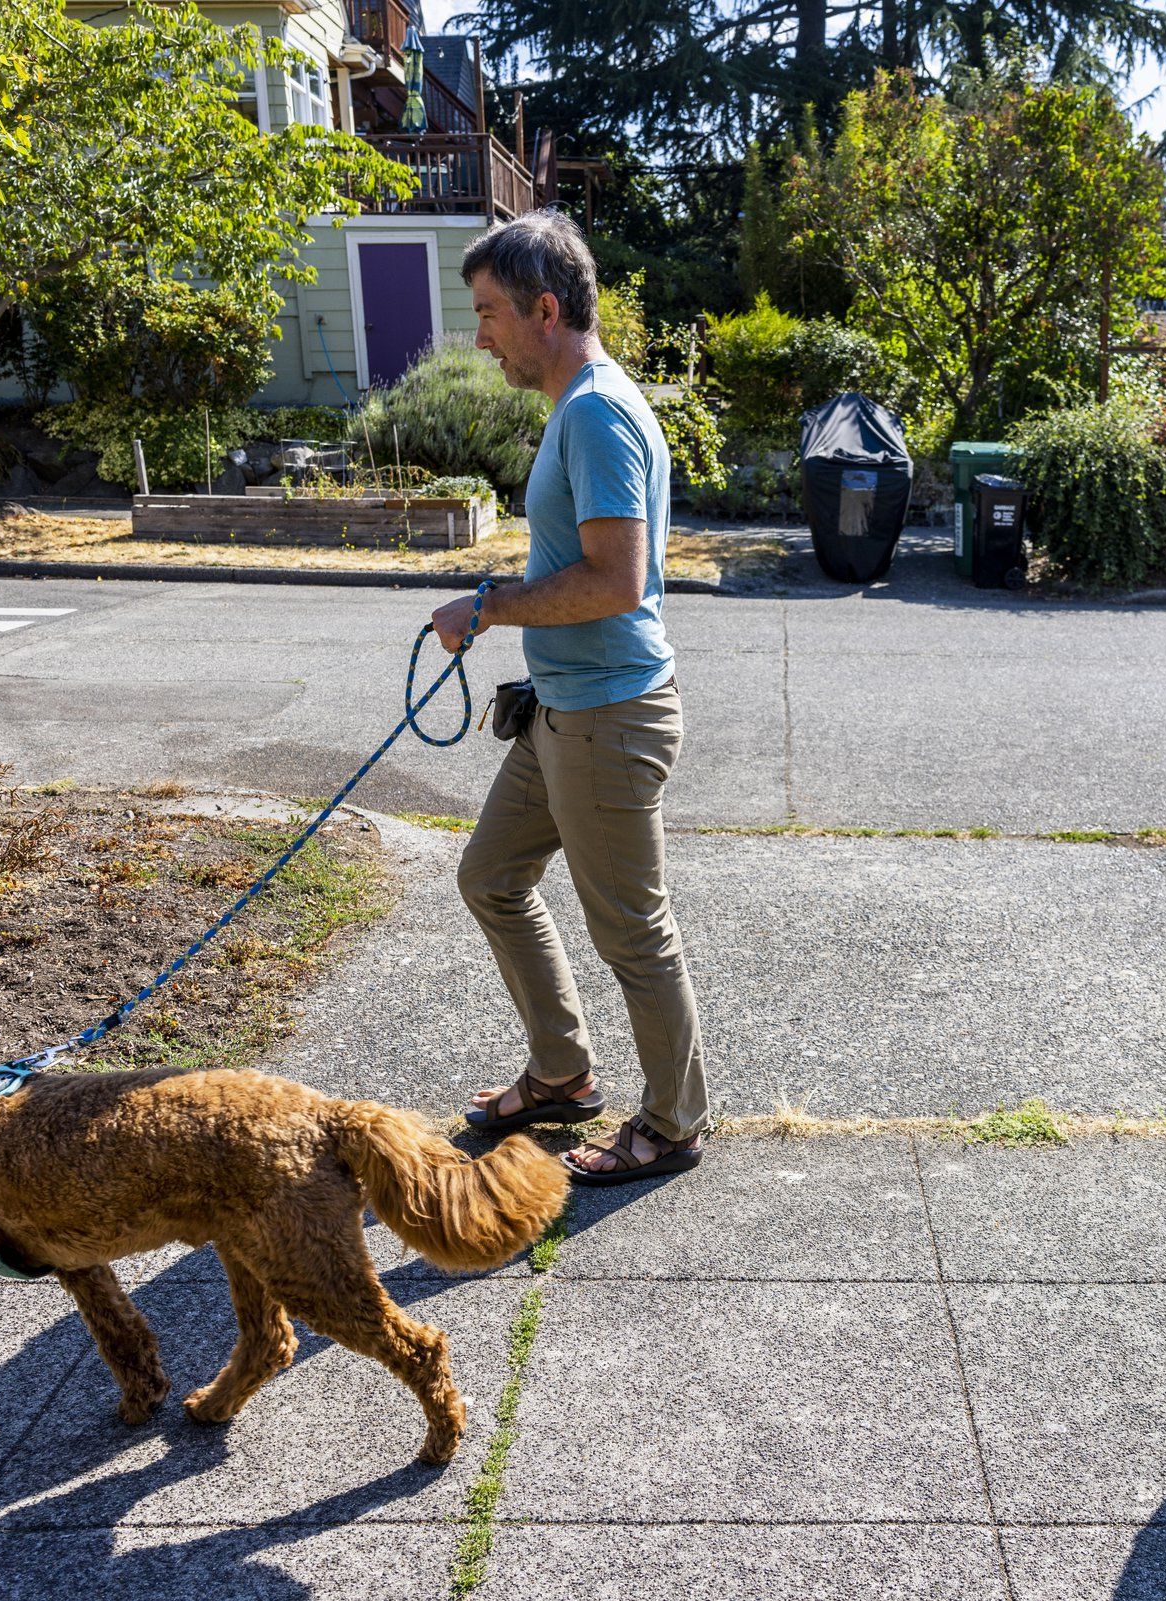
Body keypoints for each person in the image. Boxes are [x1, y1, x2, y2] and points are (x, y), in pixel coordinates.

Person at [429, 209, 710, 1187]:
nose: (480, 336)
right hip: (561, 707)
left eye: (491, 312)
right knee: (490, 875)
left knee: (633, 932)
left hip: (605, 719)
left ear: (546, 308)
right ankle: (561, 1071)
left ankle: (674, 1122)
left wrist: (489, 606)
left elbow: (617, 578)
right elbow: (583, 566)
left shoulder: (594, 410)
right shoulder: (582, 405)